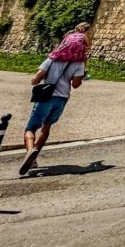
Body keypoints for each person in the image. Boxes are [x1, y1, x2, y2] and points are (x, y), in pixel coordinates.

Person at [20, 44, 87, 175]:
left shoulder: (53, 58)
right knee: (47, 126)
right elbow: (76, 85)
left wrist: (35, 80)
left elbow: (37, 78)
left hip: (46, 97)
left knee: (31, 128)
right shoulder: (79, 63)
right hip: (61, 99)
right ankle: (35, 153)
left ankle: (30, 152)